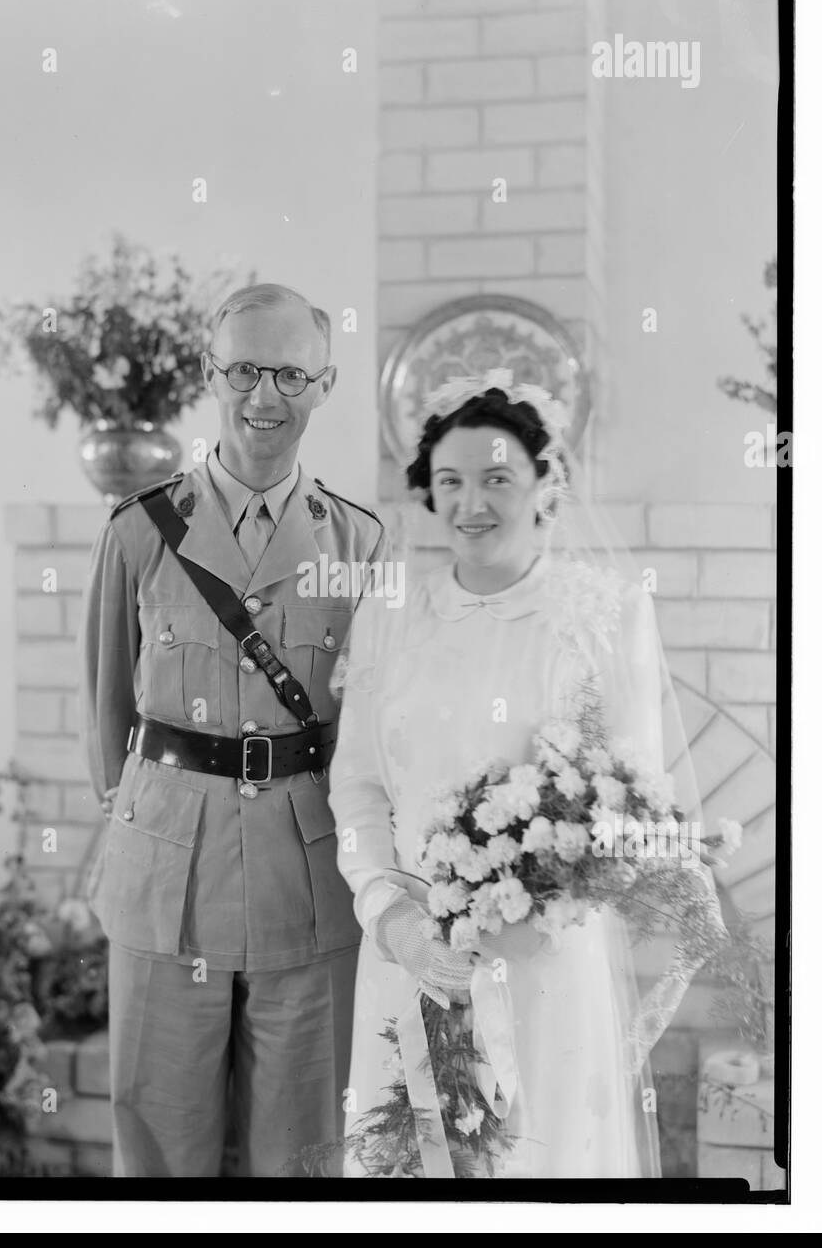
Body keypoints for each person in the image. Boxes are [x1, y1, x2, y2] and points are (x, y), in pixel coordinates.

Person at [328, 371, 724, 1177]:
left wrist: (523, 913)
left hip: (542, 962)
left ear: (546, 484)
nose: (470, 503)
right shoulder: (387, 614)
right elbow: (357, 786)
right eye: (449, 481)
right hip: (408, 956)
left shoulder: (605, 613)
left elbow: (631, 804)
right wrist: (389, 913)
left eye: (496, 478)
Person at [79, 282, 388, 1176]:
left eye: (290, 374)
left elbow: (374, 725)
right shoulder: (140, 531)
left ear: (325, 385)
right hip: (167, 877)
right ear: (210, 373)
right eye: (245, 370)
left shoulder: (358, 544)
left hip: (308, 881)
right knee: (161, 1148)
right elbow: (107, 707)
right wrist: (144, 824)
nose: (265, 397)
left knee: (306, 1152)